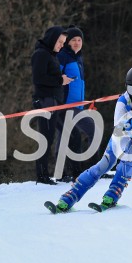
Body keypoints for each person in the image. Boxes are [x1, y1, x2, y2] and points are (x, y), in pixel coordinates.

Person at [49, 65, 132, 213]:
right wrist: (130, 126)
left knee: (129, 157)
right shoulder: (123, 100)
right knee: (104, 164)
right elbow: (118, 124)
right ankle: (72, 195)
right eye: (131, 89)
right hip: (121, 135)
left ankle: (112, 195)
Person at [31, 26, 72, 184]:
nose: (62, 45)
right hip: (45, 101)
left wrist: (61, 80)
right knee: (46, 138)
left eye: (63, 42)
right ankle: (42, 176)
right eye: (60, 42)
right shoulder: (41, 54)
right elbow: (39, 79)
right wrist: (60, 80)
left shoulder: (51, 55)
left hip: (56, 101)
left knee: (66, 132)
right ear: (52, 39)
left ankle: (64, 171)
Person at [55, 27, 95, 180]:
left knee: (64, 137)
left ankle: (62, 174)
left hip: (77, 105)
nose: (77, 43)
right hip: (66, 105)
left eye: (79, 40)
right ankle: (95, 169)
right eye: (73, 40)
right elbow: (55, 77)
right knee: (92, 130)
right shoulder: (63, 56)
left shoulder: (78, 58)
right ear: (67, 42)